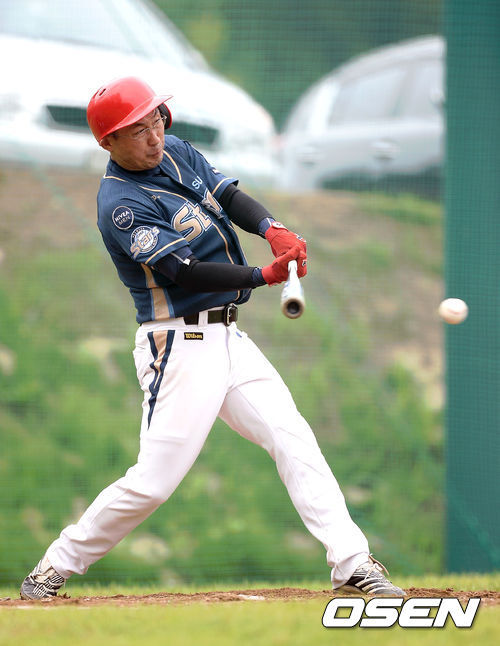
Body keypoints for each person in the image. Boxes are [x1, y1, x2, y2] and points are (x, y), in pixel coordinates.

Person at [20, 76, 404, 600]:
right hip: (178, 347)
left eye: (155, 120)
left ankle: (353, 563)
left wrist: (272, 229)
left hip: (228, 338)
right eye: (136, 130)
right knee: (153, 483)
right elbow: (185, 271)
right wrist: (262, 276)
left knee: (292, 438)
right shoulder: (121, 205)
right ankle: (52, 568)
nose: (153, 135)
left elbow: (229, 195)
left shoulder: (176, 151)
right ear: (109, 142)